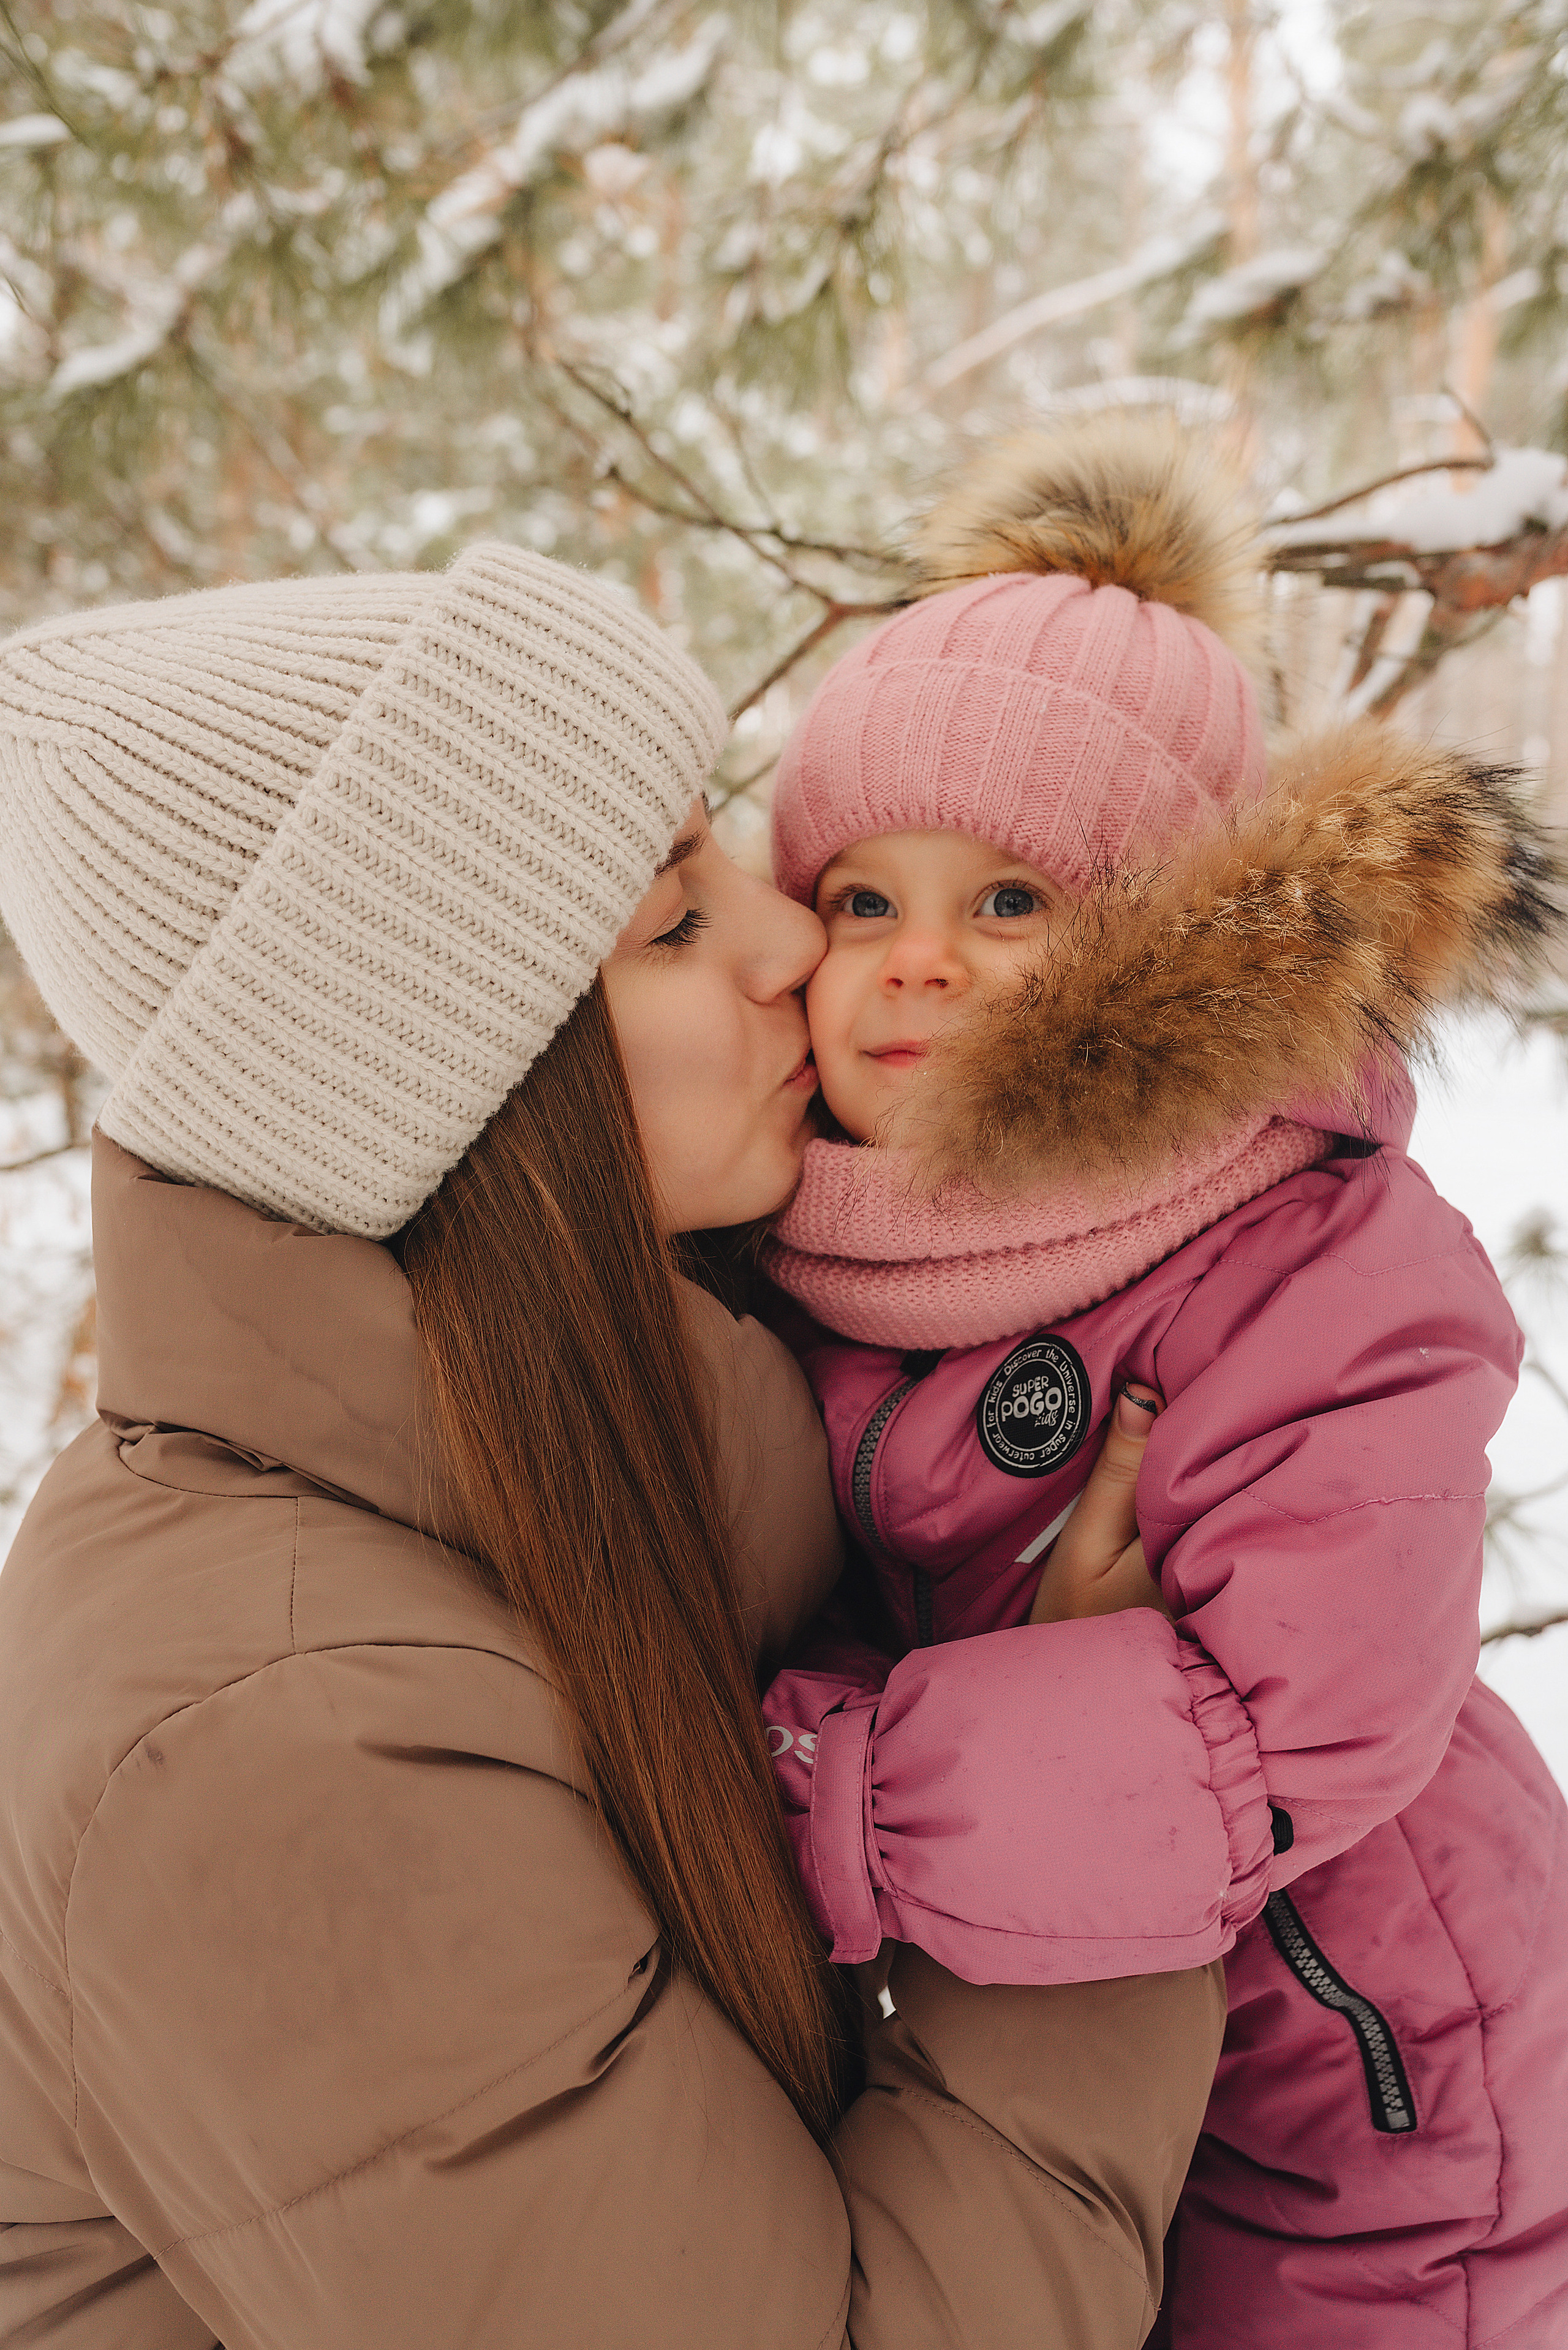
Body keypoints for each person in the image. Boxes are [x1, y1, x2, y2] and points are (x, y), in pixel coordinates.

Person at [0, 545, 1222, 2349]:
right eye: (672, 921)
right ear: (461, 1089)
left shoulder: (584, 1458)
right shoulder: (279, 1747)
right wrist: (1077, 1816)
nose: (797, 940)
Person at [758, 413, 1568, 2349]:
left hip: (1383, 2082)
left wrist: (810, 1793)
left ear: (1161, 951)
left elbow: (1288, 1729)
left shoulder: (1304, 1254)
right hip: (1083, 2048)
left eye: (1010, 904)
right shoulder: (829, 1251)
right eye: (864, 900)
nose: (917, 964)